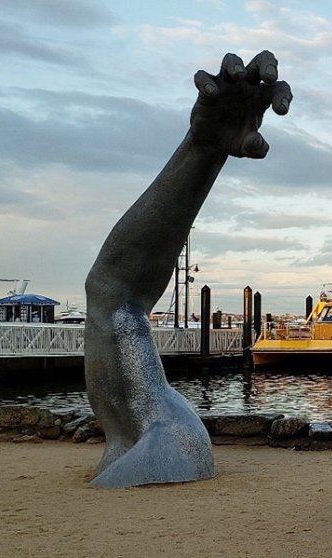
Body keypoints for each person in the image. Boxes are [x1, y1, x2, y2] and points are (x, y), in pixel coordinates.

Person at [84, 51, 292, 488]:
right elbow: (108, 288)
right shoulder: (162, 429)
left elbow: (111, 290)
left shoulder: (174, 439)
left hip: (156, 445)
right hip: (141, 441)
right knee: (112, 303)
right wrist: (202, 149)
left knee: (114, 306)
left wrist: (203, 152)